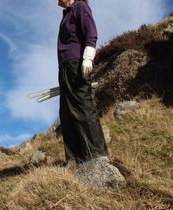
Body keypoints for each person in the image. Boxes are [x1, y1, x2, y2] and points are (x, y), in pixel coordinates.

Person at [56, 0, 109, 166]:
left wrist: (88, 58)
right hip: (64, 66)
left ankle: (97, 156)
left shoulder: (80, 6)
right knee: (66, 112)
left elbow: (91, 32)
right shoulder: (66, 14)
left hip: (76, 62)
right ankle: (74, 158)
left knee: (83, 106)